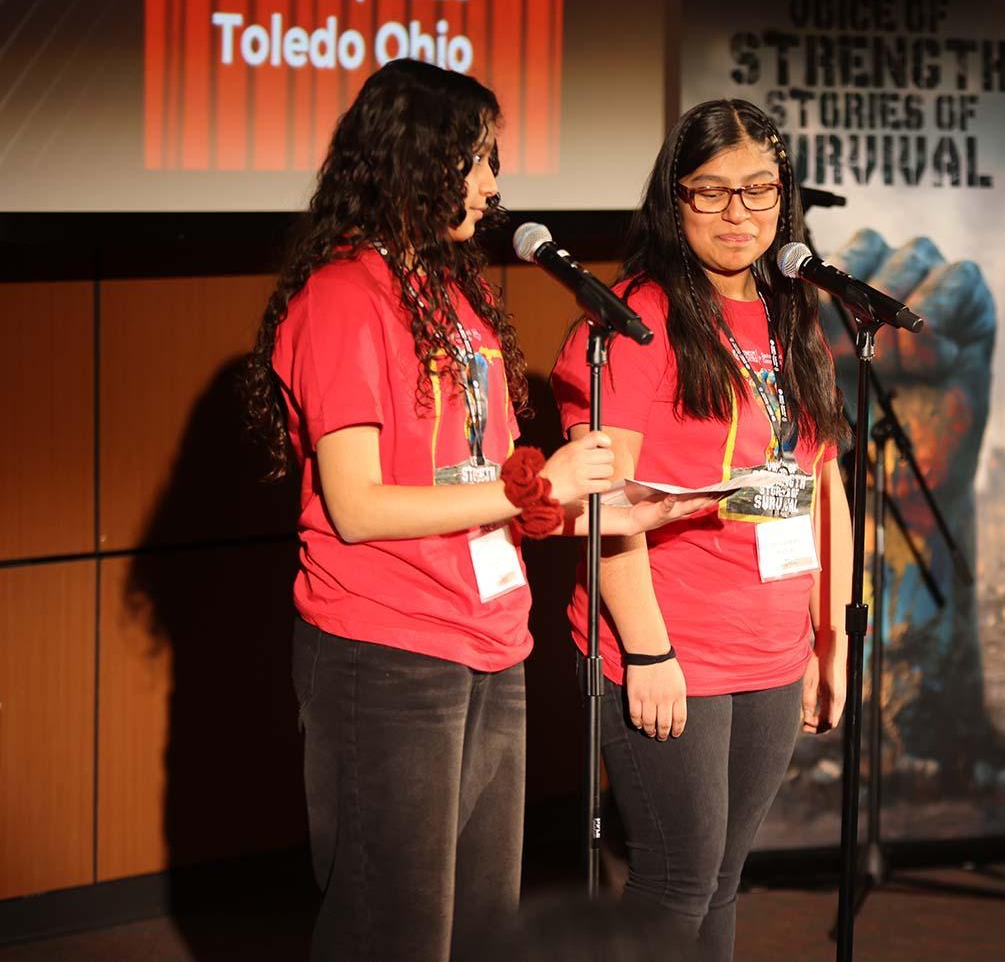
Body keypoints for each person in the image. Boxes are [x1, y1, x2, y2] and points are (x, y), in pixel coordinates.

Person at [242, 59, 705, 962]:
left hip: (492, 636)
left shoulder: (454, 295)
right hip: (386, 647)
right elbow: (357, 505)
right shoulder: (344, 296)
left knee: (484, 929)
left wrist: (598, 510)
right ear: (415, 159)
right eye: (479, 156)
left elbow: (475, 480)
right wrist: (546, 485)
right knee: (394, 931)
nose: (495, 181)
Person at [550, 98, 853, 961]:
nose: (739, 213)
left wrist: (830, 638)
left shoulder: (795, 312)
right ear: (673, 201)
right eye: (711, 192)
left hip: (769, 640)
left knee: (721, 878)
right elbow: (605, 501)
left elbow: (822, 482)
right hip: (669, 640)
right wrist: (646, 650)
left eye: (760, 190)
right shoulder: (633, 321)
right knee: (676, 880)